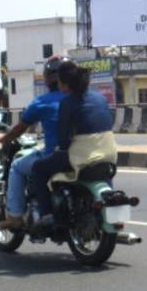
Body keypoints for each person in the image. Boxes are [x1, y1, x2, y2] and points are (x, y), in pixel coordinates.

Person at [30, 60, 117, 228]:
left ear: (63, 85)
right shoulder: (100, 98)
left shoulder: (67, 103)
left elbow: (63, 141)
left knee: (38, 169)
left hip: (82, 158)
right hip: (109, 154)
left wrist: (61, 148)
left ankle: (47, 214)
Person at [0, 56, 68, 230]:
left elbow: (20, 128)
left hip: (57, 155)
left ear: (48, 78)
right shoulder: (84, 99)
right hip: (86, 153)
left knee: (17, 167)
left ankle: (15, 216)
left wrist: (3, 138)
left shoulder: (42, 102)